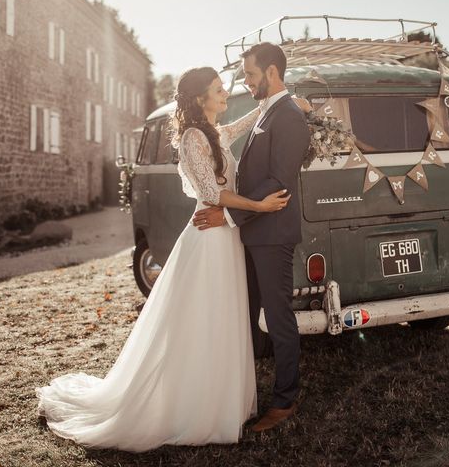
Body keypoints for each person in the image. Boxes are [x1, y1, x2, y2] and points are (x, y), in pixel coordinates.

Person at [36, 66, 299, 452]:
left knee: (221, 317)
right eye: (217, 88)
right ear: (199, 99)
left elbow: (246, 122)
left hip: (225, 238)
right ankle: (194, 407)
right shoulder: (194, 138)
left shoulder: (213, 132)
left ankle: (221, 401)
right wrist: (258, 204)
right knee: (200, 320)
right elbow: (212, 193)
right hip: (208, 239)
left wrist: (282, 101)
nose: (225, 92)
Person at [192, 42, 311, 432]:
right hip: (254, 231)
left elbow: (278, 182)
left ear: (273, 73)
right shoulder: (271, 111)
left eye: (252, 74)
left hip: (272, 233)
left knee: (278, 318)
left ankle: (285, 401)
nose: (246, 81)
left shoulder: (288, 116)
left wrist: (227, 213)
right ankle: (246, 390)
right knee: (247, 315)